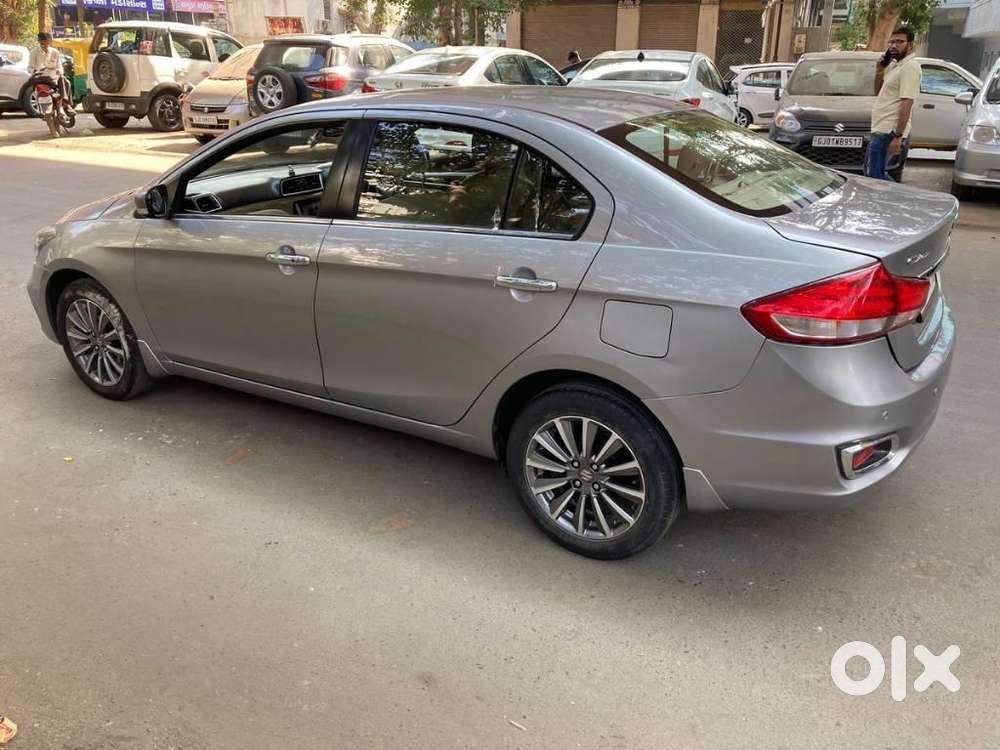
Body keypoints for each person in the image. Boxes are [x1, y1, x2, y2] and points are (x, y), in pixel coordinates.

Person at [864, 25, 921, 181]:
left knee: (874, 176)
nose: (894, 45)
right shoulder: (895, 65)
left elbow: (907, 102)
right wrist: (879, 70)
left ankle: (897, 201)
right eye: (891, 42)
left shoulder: (910, 67)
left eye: (899, 42)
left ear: (910, 45)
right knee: (872, 173)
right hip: (880, 127)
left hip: (889, 130)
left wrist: (898, 136)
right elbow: (878, 92)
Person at [29, 31, 70, 108]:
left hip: (53, 76)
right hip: (40, 78)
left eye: (47, 43)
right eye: (42, 44)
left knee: (67, 82)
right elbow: (30, 68)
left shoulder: (55, 52)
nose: (45, 46)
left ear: (50, 42)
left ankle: (65, 103)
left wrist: (59, 72)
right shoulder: (33, 52)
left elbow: (59, 66)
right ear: (39, 42)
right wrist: (35, 71)